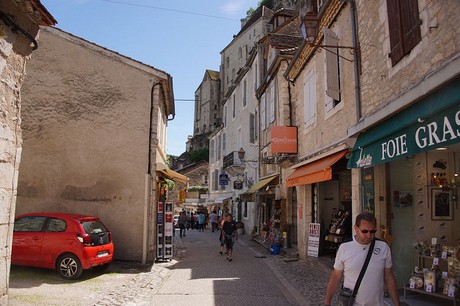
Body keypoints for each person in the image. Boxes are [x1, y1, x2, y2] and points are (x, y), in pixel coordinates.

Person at [324, 212, 400, 306]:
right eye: (365, 231)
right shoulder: (345, 248)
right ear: (356, 228)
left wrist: (397, 304)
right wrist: (327, 303)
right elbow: (336, 277)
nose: (369, 235)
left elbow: (389, 277)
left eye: (372, 231)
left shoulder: (383, 247)